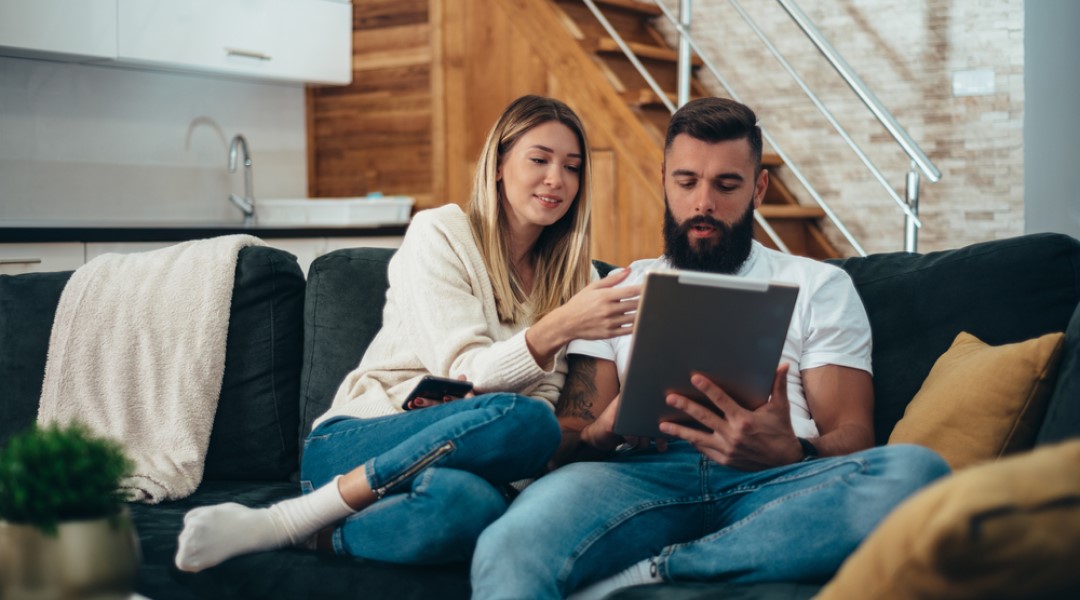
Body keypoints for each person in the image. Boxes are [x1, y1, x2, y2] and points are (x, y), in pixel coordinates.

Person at [470, 97, 951, 599]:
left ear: (758, 188)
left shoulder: (819, 285)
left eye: (726, 185)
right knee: (509, 546)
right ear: (663, 181)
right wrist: (603, 430)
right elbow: (568, 436)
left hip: (775, 482)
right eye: (686, 182)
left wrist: (794, 450)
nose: (703, 203)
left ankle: (662, 569)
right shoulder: (618, 287)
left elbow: (853, 435)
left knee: (918, 474)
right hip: (637, 475)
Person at [174, 95, 641, 572]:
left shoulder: (575, 278)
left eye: (572, 167)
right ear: (498, 164)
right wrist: (559, 326)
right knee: (527, 422)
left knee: (467, 508)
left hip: (467, 462)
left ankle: (311, 535)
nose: (556, 179)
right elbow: (465, 370)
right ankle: (290, 517)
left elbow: (544, 403)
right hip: (359, 442)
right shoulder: (439, 233)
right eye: (539, 159)